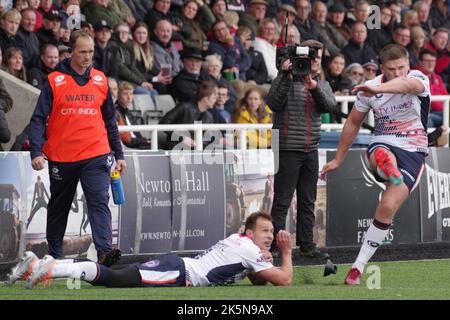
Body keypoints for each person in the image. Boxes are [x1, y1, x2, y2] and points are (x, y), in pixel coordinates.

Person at [320, 44, 431, 285]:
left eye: (401, 67)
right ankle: (386, 166)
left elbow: (406, 85)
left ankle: (357, 269)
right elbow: (352, 123)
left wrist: (377, 87)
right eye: (391, 69)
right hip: (384, 140)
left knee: (387, 208)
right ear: (382, 67)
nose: (398, 73)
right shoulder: (368, 91)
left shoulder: (417, 78)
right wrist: (338, 159)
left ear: (408, 64)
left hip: (414, 148)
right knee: (381, 151)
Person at [28, 30, 126, 265]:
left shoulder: (101, 80)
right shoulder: (54, 80)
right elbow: (39, 118)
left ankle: (104, 252)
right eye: (82, 52)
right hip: (63, 156)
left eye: (91, 51)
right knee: (59, 205)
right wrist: (36, 151)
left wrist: (119, 153)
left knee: (98, 200)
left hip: (96, 152)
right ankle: (55, 254)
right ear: (71, 51)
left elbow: (110, 121)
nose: (87, 56)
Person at [7, 211, 293, 289]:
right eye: (265, 231)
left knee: (115, 276)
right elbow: (284, 280)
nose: (270, 236)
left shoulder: (240, 241)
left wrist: (263, 258)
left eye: (271, 232)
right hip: (180, 273)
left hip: (178, 266)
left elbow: (258, 276)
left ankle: (39, 264)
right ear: (249, 232)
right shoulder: (248, 249)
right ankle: (52, 267)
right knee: (114, 279)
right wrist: (286, 252)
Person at [267, 39, 337, 259]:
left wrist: (314, 87)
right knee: (282, 201)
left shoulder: (321, 84)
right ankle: (273, 246)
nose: (314, 62)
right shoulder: (283, 79)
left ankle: (307, 245)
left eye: (317, 58)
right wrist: (285, 76)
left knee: (308, 200)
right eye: (310, 58)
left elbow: (329, 106)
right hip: (285, 147)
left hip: (311, 148)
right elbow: (273, 103)